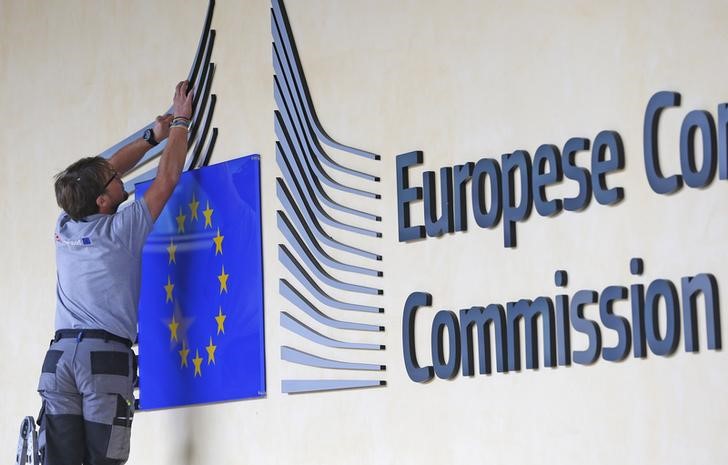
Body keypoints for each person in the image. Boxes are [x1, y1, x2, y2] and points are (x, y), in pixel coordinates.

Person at [37, 80, 194, 465]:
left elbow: (100, 173)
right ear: (104, 200)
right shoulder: (121, 231)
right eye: (113, 180)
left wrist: (150, 135)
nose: (120, 175)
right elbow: (168, 179)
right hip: (102, 362)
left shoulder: (65, 225)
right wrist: (180, 124)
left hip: (58, 360)